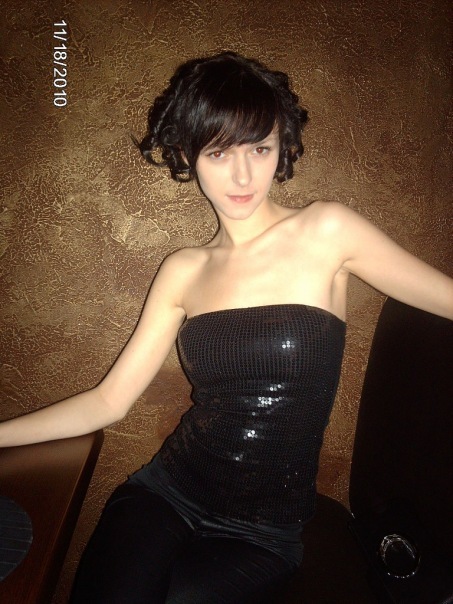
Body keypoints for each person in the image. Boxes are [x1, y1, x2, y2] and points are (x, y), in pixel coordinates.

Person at [0, 51, 452, 603]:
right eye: (219, 152)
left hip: (263, 533)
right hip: (166, 494)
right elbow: (107, 402)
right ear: (188, 154)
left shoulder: (327, 231)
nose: (243, 176)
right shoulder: (183, 269)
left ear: (282, 147)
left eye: (260, 148)